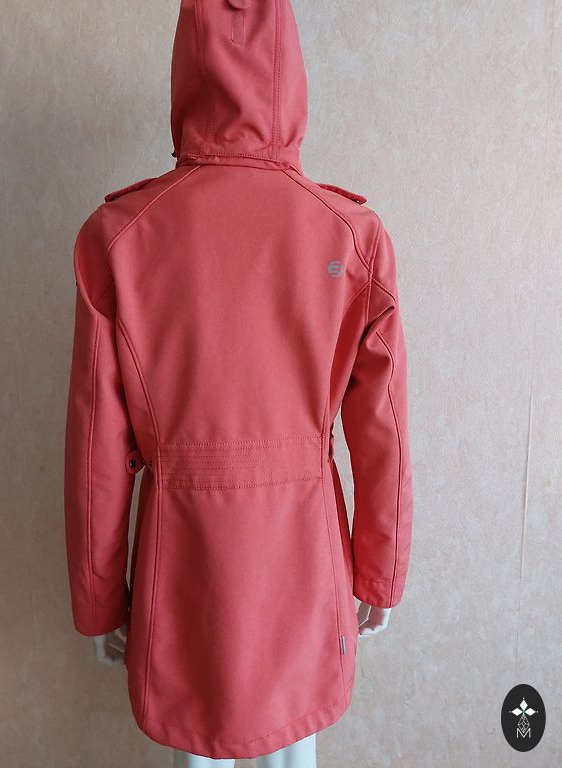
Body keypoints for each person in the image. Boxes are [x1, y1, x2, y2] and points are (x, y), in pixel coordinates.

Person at [64, 0, 414, 764]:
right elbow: (381, 432)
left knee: (199, 743)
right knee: (295, 747)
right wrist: (379, 572)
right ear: (291, 74)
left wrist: (99, 598)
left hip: (183, 560)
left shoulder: (119, 237)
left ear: (185, 70)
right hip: (303, 556)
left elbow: (97, 449)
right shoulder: (352, 236)